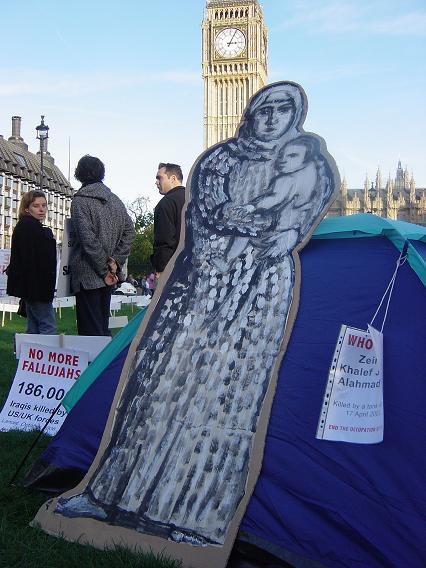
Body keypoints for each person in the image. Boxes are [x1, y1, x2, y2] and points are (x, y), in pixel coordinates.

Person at [56, 83, 337, 546]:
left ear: (295, 115)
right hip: (201, 285)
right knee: (156, 385)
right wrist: (260, 227)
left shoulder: (310, 162)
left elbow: (297, 224)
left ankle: (196, 516)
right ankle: (110, 494)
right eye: (264, 107)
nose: (271, 116)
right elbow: (209, 216)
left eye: (283, 109)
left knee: (228, 396)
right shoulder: (219, 160)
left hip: (260, 295)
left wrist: (260, 227)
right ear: (250, 112)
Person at [220, 135, 322, 266]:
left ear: (306, 159)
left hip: (274, 234)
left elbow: (274, 198)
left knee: (243, 229)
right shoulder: (311, 178)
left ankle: (227, 261)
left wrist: (250, 207)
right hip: (289, 234)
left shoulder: (289, 179)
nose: (283, 160)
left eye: (292, 156)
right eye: (282, 156)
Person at [70, 155, 135, 336]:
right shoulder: (116, 201)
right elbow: (130, 232)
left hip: (89, 274)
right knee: (102, 328)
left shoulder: (80, 201)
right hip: (108, 275)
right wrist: (115, 262)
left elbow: (87, 240)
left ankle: (97, 365)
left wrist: (104, 270)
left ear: (79, 174)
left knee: (90, 333)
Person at [6, 190, 57, 334]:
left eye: (44, 205)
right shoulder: (30, 227)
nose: (41, 209)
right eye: (36, 206)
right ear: (27, 208)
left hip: (33, 288)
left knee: (34, 326)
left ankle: (28, 355)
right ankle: (44, 356)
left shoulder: (28, 226)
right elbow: (32, 261)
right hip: (37, 288)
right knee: (48, 326)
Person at [150, 162, 185, 277]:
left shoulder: (165, 203)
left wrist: (161, 269)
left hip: (172, 270)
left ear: (173, 178)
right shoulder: (195, 199)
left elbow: (164, 241)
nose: (156, 182)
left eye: (159, 178)